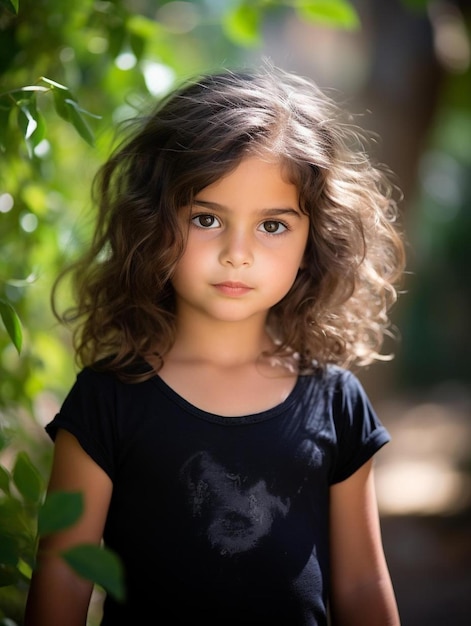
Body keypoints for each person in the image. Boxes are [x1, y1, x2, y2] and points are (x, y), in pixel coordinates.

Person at [25, 64, 405, 626]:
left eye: (272, 225)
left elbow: (362, 582)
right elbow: (63, 572)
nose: (237, 253)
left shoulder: (336, 402)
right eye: (207, 218)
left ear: (313, 237)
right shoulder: (106, 400)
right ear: (154, 223)